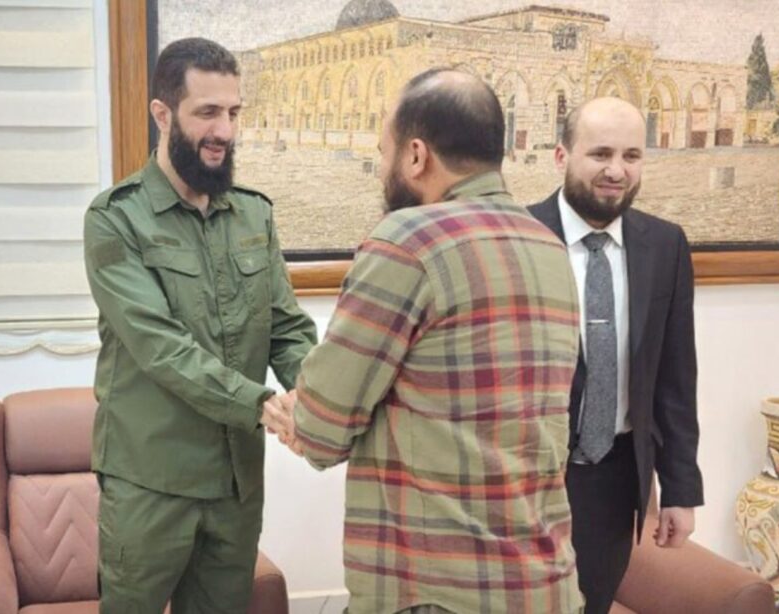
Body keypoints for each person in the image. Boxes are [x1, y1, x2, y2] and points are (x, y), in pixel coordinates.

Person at [281, 68, 584, 613]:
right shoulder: (549, 248)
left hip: (436, 592)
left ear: (416, 156)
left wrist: (297, 413)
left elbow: (323, 429)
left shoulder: (409, 241)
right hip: (545, 584)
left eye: (384, 151)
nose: (382, 168)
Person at [82, 37, 316, 613]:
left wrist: (317, 393)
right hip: (149, 484)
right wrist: (264, 404)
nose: (225, 131)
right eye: (207, 112)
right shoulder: (116, 220)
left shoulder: (254, 213)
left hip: (235, 486)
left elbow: (285, 327)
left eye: (234, 112)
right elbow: (161, 348)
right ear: (163, 114)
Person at [527, 97, 704, 614]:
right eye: (600, 153)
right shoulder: (518, 236)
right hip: (528, 477)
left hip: (614, 477)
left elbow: (675, 377)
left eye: (632, 156)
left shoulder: (665, 245)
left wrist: (679, 489)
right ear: (561, 157)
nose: (616, 171)